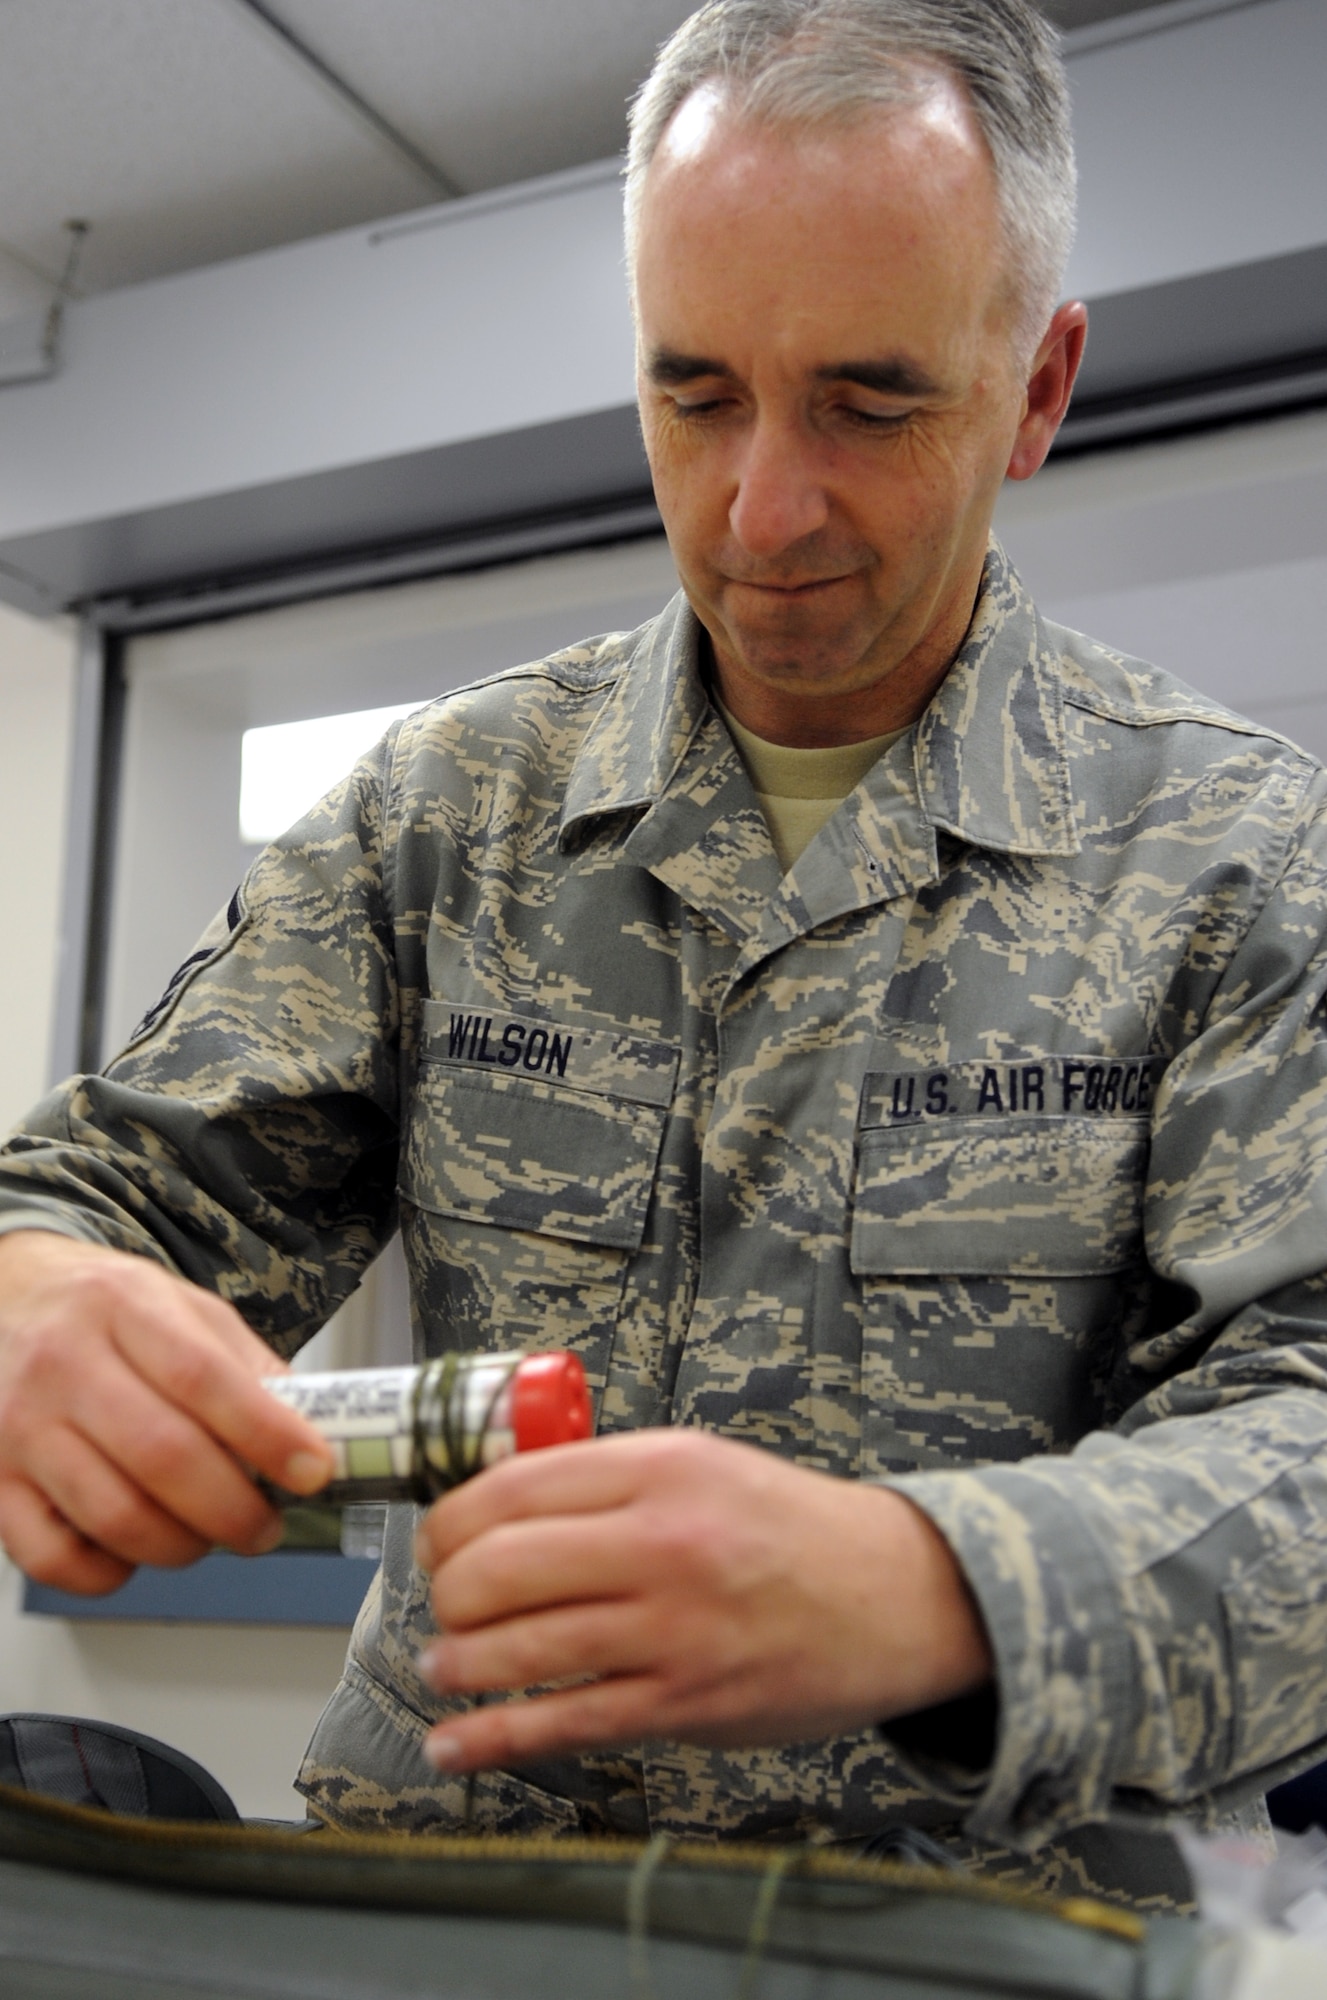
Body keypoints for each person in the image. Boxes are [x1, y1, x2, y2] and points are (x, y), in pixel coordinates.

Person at [2, 0, 1326, 1908]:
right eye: (694, 396)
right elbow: (108, 1191)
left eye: (869, 403)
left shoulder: (1241, 861)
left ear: (1039, 390)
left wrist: (934, 1585)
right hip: (437, 1908)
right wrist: (36, 1290)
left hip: (942, 1930)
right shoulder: (447, 814)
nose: (761, 509)